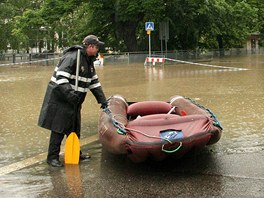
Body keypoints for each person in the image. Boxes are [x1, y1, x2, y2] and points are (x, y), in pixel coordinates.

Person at [38, 35, 108, 167]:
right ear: (90, 46)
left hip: (75, 101)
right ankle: (52, 157)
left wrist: (102, 100)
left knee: (75, 127)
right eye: (97, 47)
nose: (98, 50)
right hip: (61, 99)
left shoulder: (89, 61)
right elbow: (61, 78)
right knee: (58, 128)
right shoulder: (72, 57)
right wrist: (70, 94)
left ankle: (76, 151)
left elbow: (94, 83)